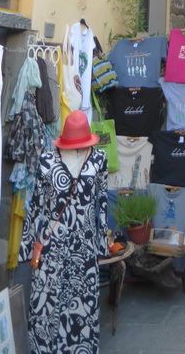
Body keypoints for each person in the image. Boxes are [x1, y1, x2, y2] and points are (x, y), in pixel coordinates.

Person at [19, 110, 108, 354]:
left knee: (82, 305)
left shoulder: (99, 160)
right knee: (46, 304)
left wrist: (101, 245)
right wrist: (27, 247)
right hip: (51, 247)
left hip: (85, 245)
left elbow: (102, 205)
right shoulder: (47, 160)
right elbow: (36, 205)